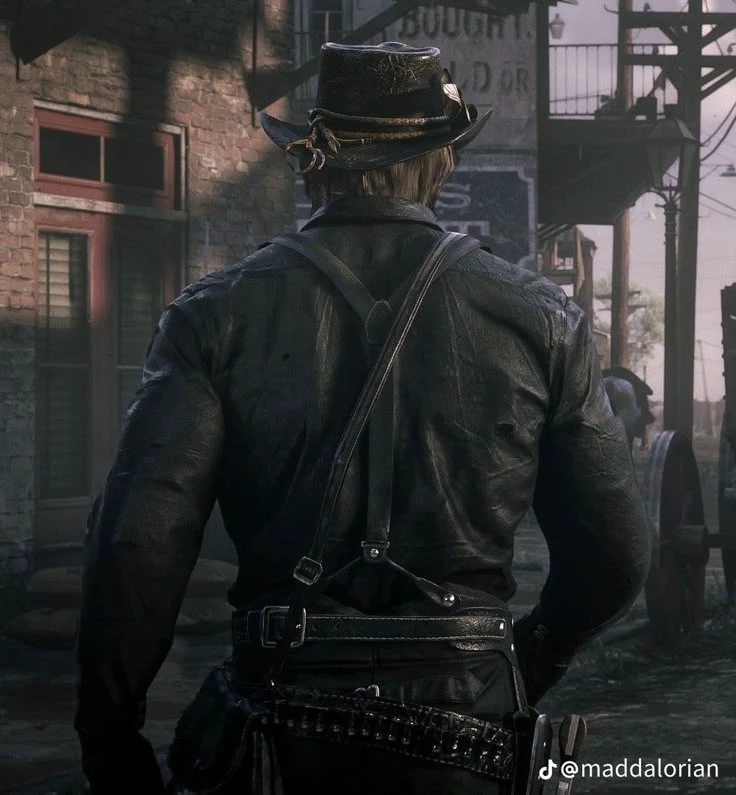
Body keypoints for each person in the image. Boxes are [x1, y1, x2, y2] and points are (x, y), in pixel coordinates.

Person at [75, 42, 652, 794]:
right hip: (468, 746)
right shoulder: (542, 320)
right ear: (442, 162)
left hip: (275, 743)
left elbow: (136, 544)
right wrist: (525, 659)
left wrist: (111, 741)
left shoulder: (213, 315)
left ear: (312, 164)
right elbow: (616, 558)